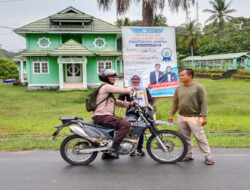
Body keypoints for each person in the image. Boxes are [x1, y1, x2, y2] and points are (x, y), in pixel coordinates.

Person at [168, 68, 214, 165]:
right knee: (185, 138)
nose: (180, 77)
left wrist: (203, 116)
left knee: (200, 138)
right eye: (180, 75)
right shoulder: (178, 88)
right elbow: (175, 102)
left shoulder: (198, 87)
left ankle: (208, 157)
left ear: (190, 76)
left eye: (182, 75)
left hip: (195, 117)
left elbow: (204, 103)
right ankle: (188, 155)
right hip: (181, 117)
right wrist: (171, 114)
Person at [92, 69, 135, 158]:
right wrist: (130, 88)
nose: (113, 78)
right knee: (126, 125)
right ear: (105, 78)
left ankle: (107, 154)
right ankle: (115, 147)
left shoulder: (104, 88)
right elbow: (124, 91)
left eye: (113, 77)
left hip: (102, 115)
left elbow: (116, 101)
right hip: (102, 116)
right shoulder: (105, 86)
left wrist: (129, 104)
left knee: (112, 132)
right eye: (111, 77)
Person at [118, 74, 154, 157]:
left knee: (140, 131)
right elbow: (119, 100)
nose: (135, 80)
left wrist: (146, 106)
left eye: (137, 79)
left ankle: (139, 149)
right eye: (133, 79)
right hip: (131, 113)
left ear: (140, 80)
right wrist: (128, 104)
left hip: (142, 113)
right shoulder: (127, 90)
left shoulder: (145, 89)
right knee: (131, 131)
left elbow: (150, 100)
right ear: (131, 80)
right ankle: (131, 149)